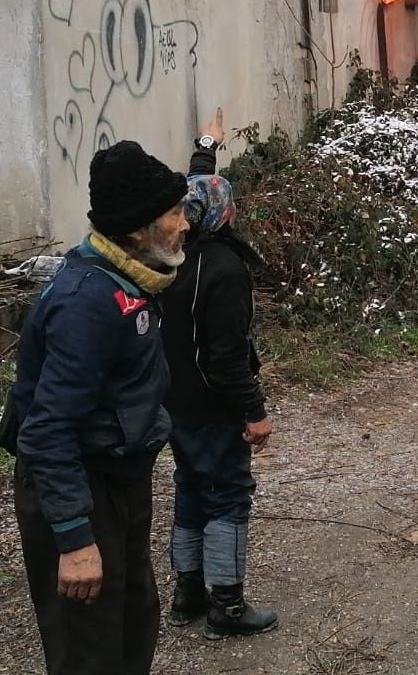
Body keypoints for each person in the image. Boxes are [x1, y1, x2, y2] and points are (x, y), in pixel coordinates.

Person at [0, 140, 190, 675]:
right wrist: (76, 539)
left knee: (132, 622)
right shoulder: (87, 301)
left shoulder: (131, 277)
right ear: (137, 230)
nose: (185, 224)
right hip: (82, 484)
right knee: (90, 648)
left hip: (118, 475)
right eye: (175, 213)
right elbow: (46, 430)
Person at [163, 109, 279, 638]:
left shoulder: (168, 258)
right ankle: (227, 606)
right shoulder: (225, 270)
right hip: (213, 404)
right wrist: (254, 411)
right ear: (224, 213)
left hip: (175, 399)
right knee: (228, 494)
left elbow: (196, 190)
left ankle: (186, 593)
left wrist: (207, 144)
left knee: (190, 486)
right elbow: (227, 356)